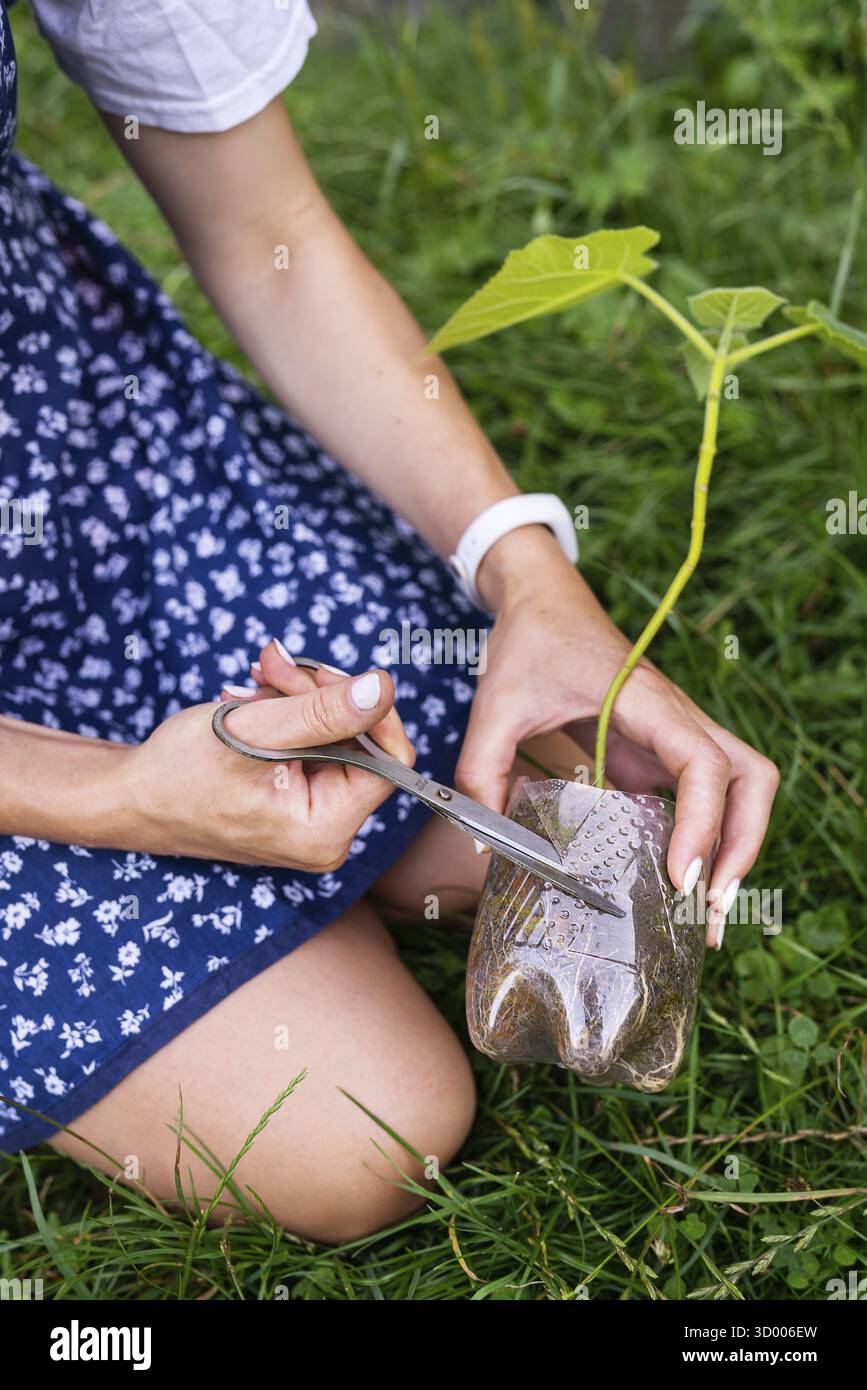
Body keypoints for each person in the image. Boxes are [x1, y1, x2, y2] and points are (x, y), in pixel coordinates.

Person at [0, 1, 778, 1242]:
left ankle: (255, 876)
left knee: (550, 803)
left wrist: (530, 580)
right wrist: (111, 798)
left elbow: (269, 231)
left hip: (81, 477)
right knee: (370, 1130)